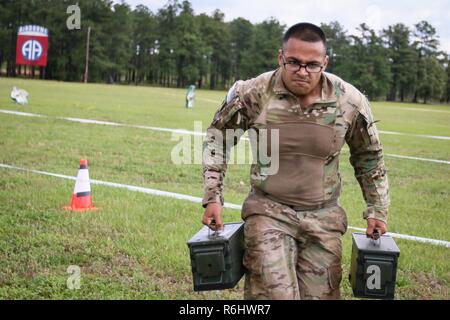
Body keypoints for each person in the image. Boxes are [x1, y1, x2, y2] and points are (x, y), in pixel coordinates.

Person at [201, 22, 390, 300]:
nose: (303, 72)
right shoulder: (253, 93)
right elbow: (217, 140)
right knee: (274, 295)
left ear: (325, 62)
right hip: (268, 211)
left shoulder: (349, 101)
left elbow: (369, 156)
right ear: (281, 58)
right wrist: (213, 197)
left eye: (312, 64)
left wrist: (377, 209)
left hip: (323, 216)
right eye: (294, 62)